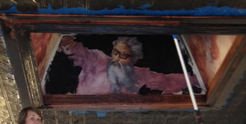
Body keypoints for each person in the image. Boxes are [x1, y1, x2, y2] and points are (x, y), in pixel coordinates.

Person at [57, 36, 200, 95]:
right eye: (115, 52)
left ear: (135, 59)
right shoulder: (99, 60)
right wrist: (70, 45)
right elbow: (84, 55)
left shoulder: (141, 75)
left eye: (123, 55)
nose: (116, 58)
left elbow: (168, 81)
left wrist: (195, 80)